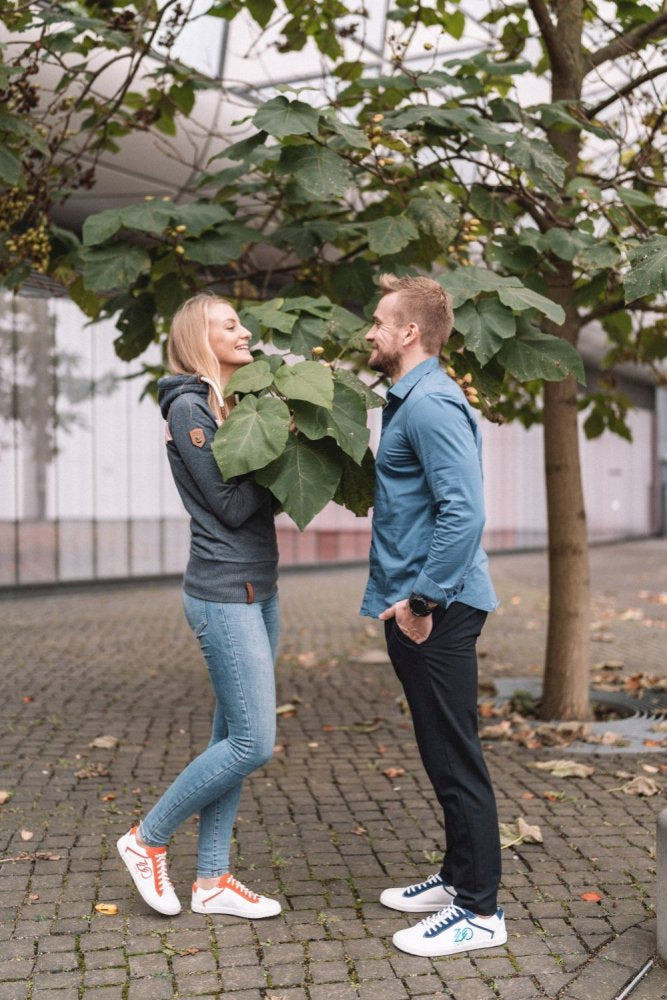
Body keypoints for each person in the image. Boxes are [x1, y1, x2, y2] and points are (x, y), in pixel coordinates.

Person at [117, 293, 282, 920]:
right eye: (229, 324)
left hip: (259, 590)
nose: (244, 331)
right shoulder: (191, 407)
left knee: (230, 735)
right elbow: (234, 507)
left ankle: (212, 880)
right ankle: (146, 838)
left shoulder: (233, 405)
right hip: (222, 596)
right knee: (252, 742)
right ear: (199, 339)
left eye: (241, 322)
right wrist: (281, 447)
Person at [361, 273, 505, 958]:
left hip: (434, 608)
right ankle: (455, 880)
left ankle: (479, 912)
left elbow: (464, 512)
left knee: (455, 758)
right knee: (439, 750)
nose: (369, 331)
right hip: (416, 602)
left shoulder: (430, 405)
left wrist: (423, 602)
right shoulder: (411, 400)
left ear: (408, 332)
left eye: (378, 321)